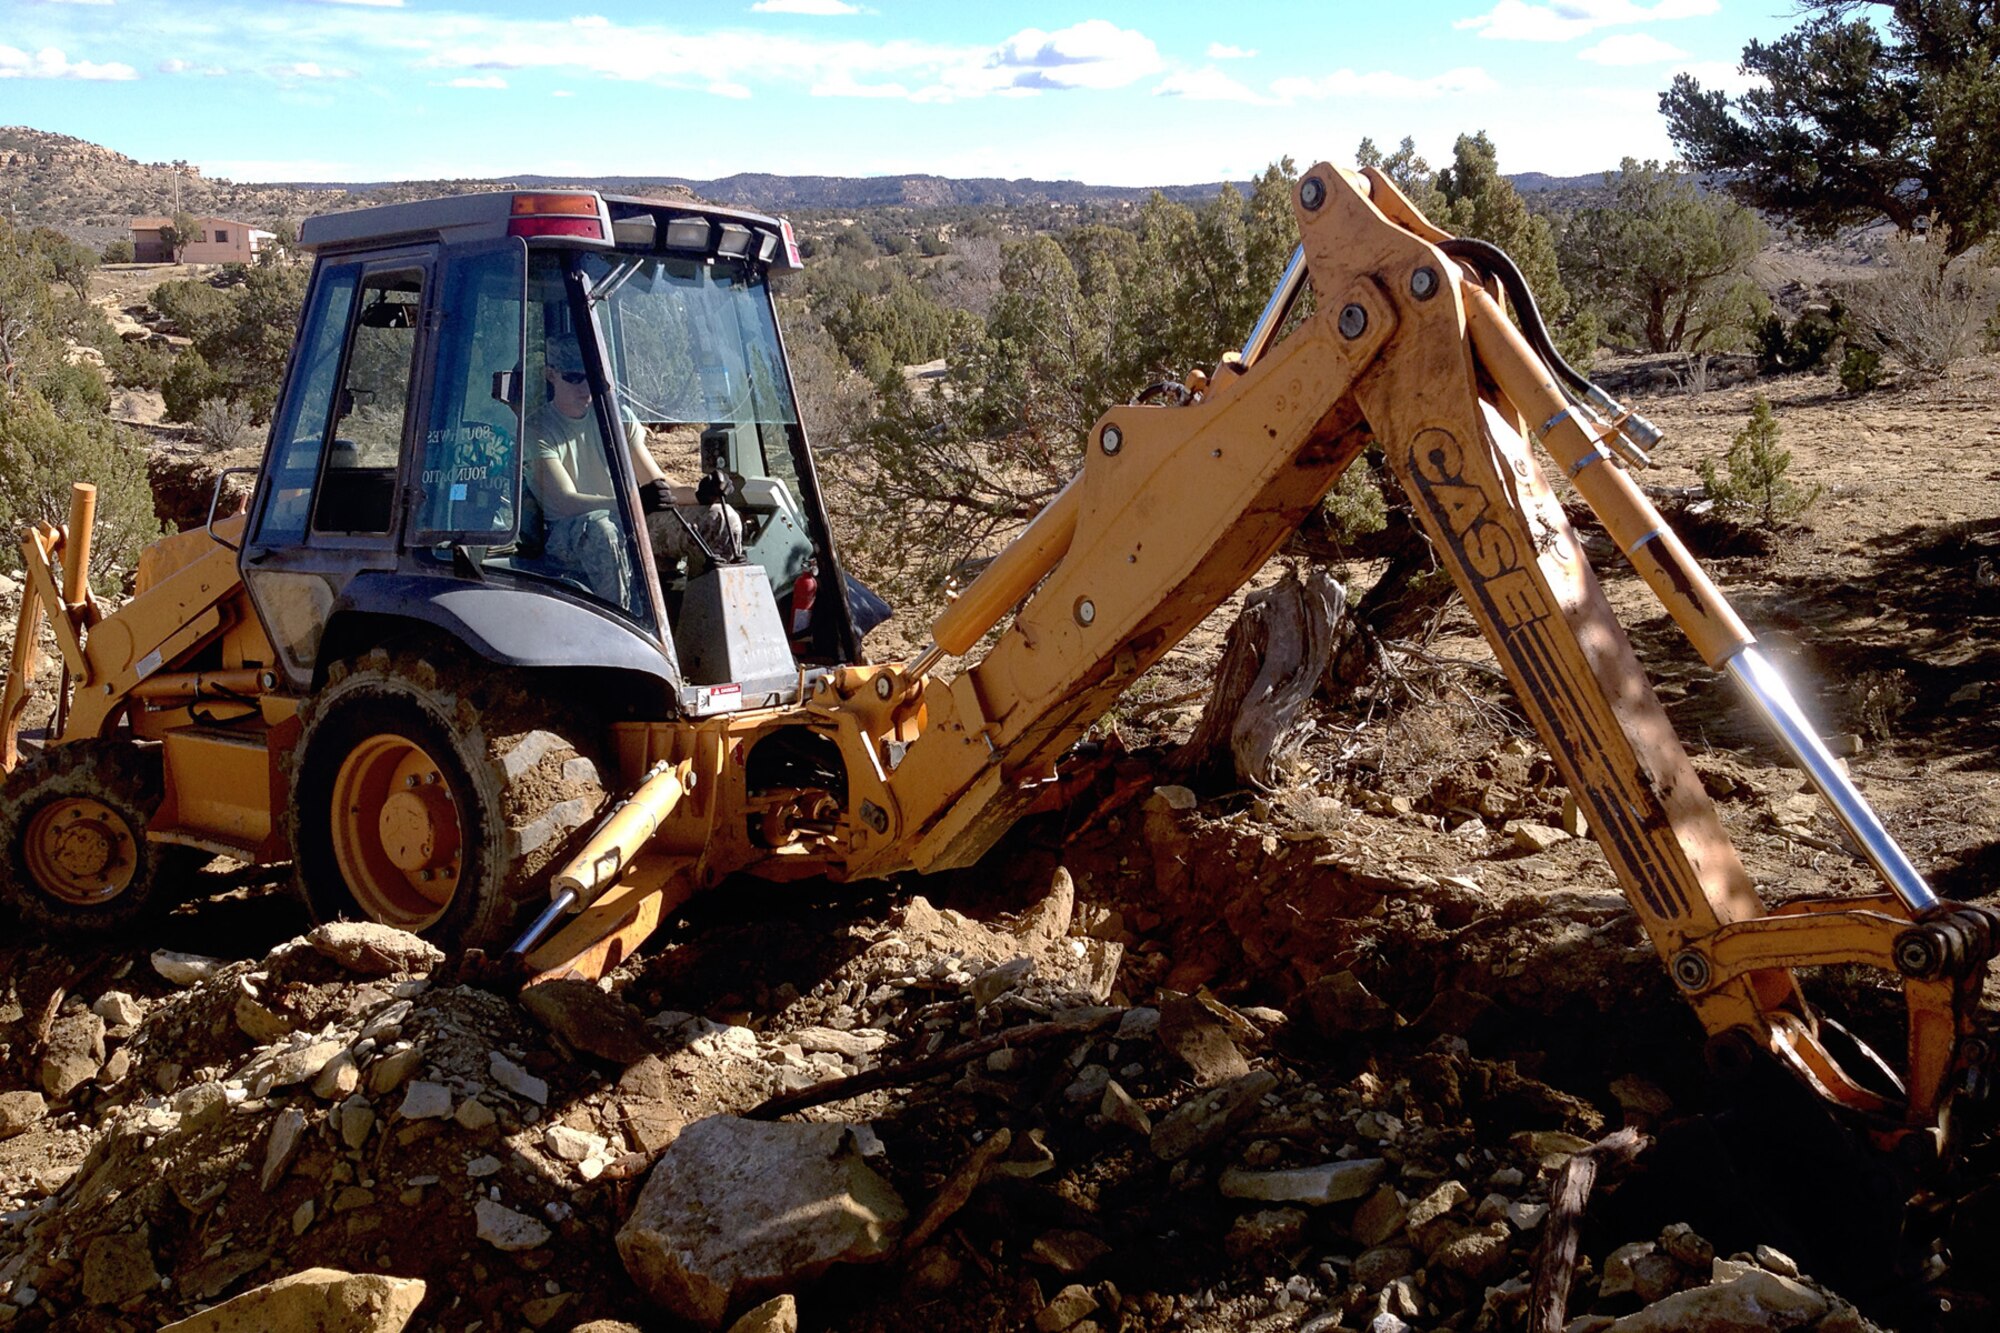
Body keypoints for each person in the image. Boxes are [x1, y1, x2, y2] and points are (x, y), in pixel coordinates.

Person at [525, 337, 638, 603]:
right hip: (565, 533)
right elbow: (566, 501)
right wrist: (629, 504)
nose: (585, 389)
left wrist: (701, 494)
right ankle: (621, 625)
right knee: (601, 531)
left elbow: (656, 481)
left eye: (592, 378)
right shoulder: (538, 429)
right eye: (574, 378)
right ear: (551, 375)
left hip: (624, 517)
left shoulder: (615, 418)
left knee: (717, 518)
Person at [649, 468, 745, 578]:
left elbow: (654, 478)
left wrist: (701, 495)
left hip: (640, 516)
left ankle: (715, 588)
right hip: (628, 527)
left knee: (720, 518)